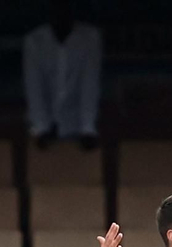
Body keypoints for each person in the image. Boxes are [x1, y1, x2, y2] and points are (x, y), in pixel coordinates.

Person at [22, 0, 102, 149]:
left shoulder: (90, 37)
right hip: (41, 129)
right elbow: (34, 89)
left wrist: (87, 128)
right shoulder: (34, 41)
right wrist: (41, 128)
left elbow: (89, 85)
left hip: (77, 127)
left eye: (66, 9)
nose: (61, 14)